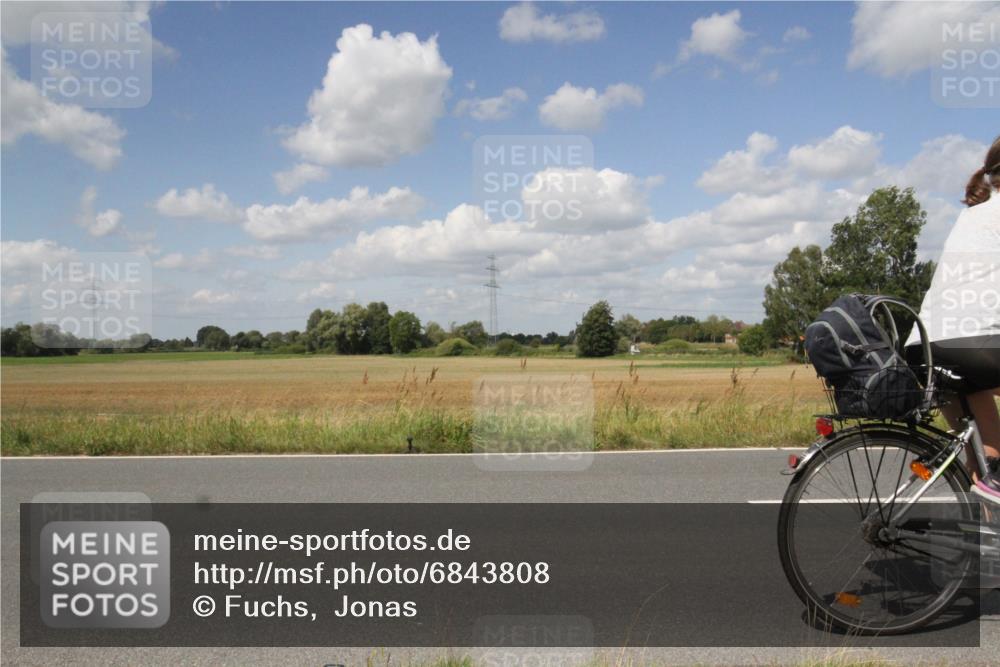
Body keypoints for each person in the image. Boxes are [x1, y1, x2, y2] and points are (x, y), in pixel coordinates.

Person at [906, 135, 1000, 502]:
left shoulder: (972, 215)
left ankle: (985, 549)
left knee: (987, 459)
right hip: (972, 346)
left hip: (925, 346)